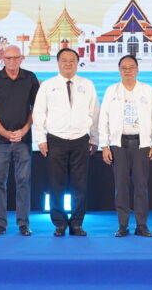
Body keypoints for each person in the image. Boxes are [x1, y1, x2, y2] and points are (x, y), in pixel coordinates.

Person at [32, 47, 100, 236]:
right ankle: (60, 224)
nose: (68, 64)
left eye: (72, 60)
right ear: (58, 63)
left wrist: (95, 138)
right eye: (64, 60)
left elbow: (95, 113)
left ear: (77, 63)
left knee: (80, 185)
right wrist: (40, 139)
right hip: (55, 139)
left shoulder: (87, 85)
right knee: (56, 185)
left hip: (81, 139)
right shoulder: (48, 85)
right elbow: (39, 113)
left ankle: (77, 224)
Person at [99, 54, 152, 237]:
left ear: (137, 70)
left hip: (142, 144)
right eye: (124, 68)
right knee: (121, 186)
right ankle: (122, 225)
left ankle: (141, 225)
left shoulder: (148, 90)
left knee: (141, 186)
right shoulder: (111, 91)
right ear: (119, 70)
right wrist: (104, 146)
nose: (128, 71)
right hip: (119, 144)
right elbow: (103, 118)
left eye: (131, 67)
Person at [0, 44, 40, 236]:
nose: (12, 61)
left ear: (22, 58)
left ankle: (23, 224)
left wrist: (24, 130)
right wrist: (4, 132)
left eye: (16, 58)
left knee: (23, 181)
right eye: (8, 58)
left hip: (23, 139)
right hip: (0, 140)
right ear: (3, 59)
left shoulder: (30, 78)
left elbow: (36, 108)